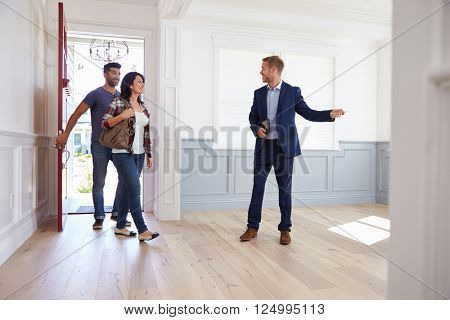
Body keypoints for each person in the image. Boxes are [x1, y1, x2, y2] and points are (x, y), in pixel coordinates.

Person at [240, 55, 345, 245]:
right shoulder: (258, 93)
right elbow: (252, 117)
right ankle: (252, 227)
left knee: (285, 190)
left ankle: (285, 229)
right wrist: (257, 129)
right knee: (258, 188)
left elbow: (309, 113)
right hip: (263, 147)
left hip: (284, 149)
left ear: (273, 69)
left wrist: (330, 114)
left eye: (263, 68)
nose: (260, 71)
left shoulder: (292, 92)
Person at [55, 62, 130, 230]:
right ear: (105, 74)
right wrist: (66, 134)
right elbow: (76, 114)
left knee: (125, 179)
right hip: (100, 144)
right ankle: (99, 216)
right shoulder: (95, 94)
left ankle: (118, 213)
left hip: (119, 146)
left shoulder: (121, 97)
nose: (117, 76)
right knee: (99, 181)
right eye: (113, 73)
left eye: (118, 73)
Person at [102, 72, 159, 242]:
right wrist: (122, 116)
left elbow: (146, 133)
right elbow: (104, 123)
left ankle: (120, 226)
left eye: (143, 82)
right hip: (122, 153)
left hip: (140, 154)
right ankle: (142, 230)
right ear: (129, 84)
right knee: (135, 189)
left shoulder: (144, 107)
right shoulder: (118, 102)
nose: (142, 84)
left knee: (127, 189)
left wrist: (149, 154)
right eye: (139, 81)